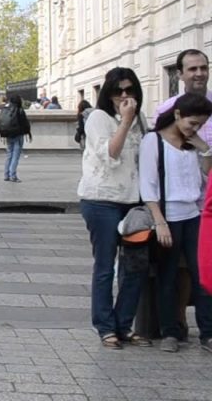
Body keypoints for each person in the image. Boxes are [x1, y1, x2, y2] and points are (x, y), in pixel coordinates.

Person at [78, 67, 146, 349]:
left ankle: (123, 324)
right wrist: (125, 121)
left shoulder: (140, 119)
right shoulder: (98, 118)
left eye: (129, 90)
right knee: (105, 266)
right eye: (118, 91)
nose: (124, 95)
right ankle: (105, 327)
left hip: (132, 201)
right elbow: (110, 154)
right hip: (101, 199)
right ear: (108, 93)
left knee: (134, 266)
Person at [139, 93, 212, 353]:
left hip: (194, 215)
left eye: (200, 124)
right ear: (178, 114)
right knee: (167, 275)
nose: (195, 129)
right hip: (168, 215)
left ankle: (207, 332)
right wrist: (159, 222)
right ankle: (170, 332)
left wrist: (205, 149)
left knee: (202, 274)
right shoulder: (153, 141)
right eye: (192, 123)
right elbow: (148, 185)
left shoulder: (193, 144)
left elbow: (207, 177)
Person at [0, 95, 31, 182]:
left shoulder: (5, 109)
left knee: (9, 154)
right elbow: (24, 123)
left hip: (8, 134)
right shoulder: (19, 110)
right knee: (15, 156)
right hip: (18, 135)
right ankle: (13, 175)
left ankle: (6, 175)